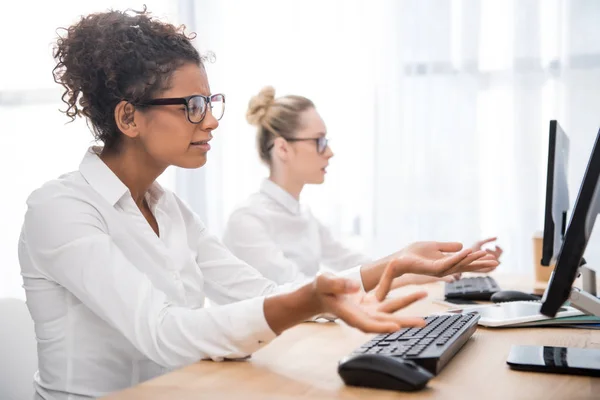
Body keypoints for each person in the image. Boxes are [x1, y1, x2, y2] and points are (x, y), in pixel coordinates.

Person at [17, 9, 498, 399]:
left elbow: (260, 291)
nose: (211, 123)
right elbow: (162, 331)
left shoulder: (169, 210)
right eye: (192, 107)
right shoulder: (59, 211)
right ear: (129, 117)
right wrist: (316, 297)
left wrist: (394, 263)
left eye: (210, 103)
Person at [223, 87, 503, 287]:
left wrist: (446, 265)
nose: (329, 152)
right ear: (283, 148)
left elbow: (361, 266)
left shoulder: (304, 217)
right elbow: (301, 292)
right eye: (319, 141)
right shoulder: (248, 220)